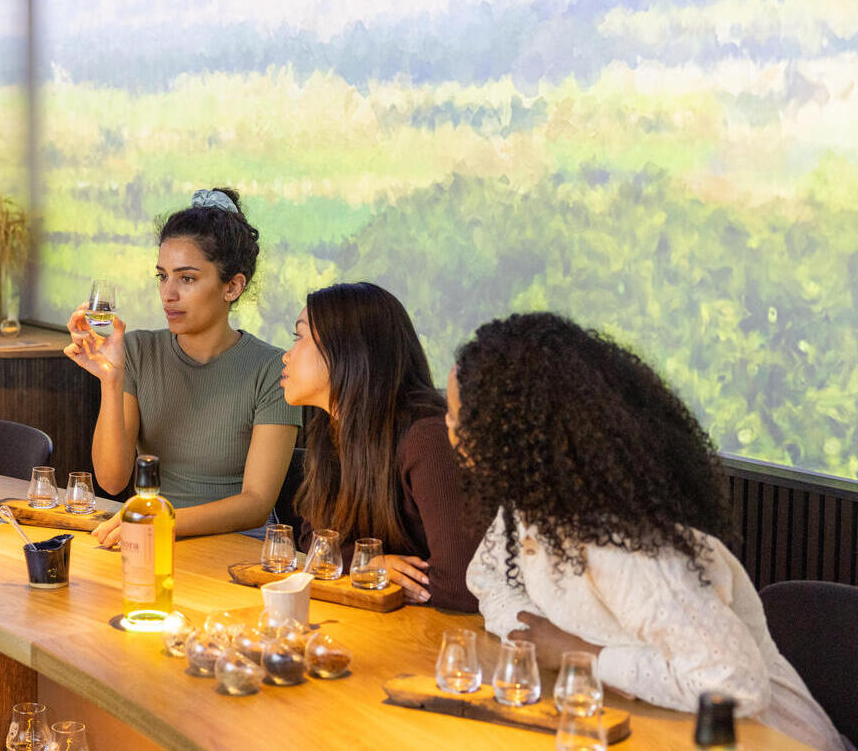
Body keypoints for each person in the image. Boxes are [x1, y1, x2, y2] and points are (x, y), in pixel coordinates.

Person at [451, 312, 844, 751]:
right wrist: (531, 636)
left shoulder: (625, 547)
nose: (449, 431)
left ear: (513, 432)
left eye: (459, 419)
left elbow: (735, 687)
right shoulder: (530, 509)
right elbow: (488, 580)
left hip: (765, 740)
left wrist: (581, 655)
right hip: (647, 729)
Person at [66, 188, 302, 546]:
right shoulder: (138, 350)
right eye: (163, 276)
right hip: (152, 536)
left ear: (233, 287)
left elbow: (255, 504)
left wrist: (161, 521)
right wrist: (111, 381)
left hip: (240, 546)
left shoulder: (272, 368)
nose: (168, 294)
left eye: (187, 278)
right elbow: (111, 482)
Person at [279, 282, 480, 610]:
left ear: (347, 351)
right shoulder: (331, 427)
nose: (287, 354)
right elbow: (312, 540)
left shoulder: (427, 438)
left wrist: (366, 571)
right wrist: (367, 563)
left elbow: (463, 585)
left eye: (299, 337)